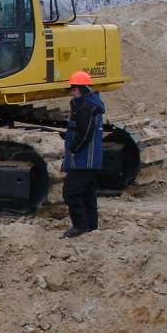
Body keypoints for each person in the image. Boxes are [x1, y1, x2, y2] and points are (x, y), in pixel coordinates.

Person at [61, 70, 105, 238]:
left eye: (74, 88)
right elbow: (82, 129)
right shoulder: (90, 104)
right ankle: (91, 227)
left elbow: (84, 133)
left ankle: (80, 226)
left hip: (84, 160)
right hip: (89, 160)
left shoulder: (86, 106)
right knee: (87, 193)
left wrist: (73, 147)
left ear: (79, 88)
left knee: (70, 192)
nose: (72, 91)